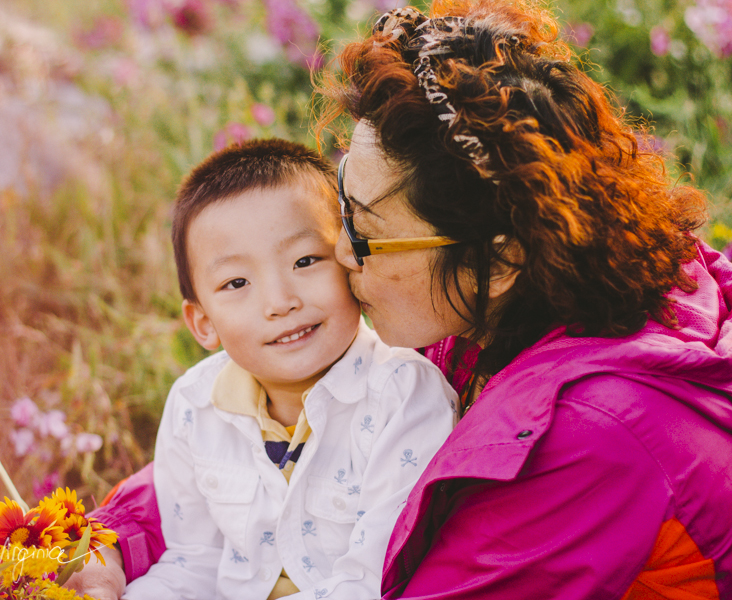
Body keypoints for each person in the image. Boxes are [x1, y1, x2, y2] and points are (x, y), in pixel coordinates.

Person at [72, 0, 732, 597]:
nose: (337, 255)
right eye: (341, 209)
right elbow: (241, 457)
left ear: (501, 258)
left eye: (366, 234)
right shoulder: (488, 307)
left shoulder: (588, 436)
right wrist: (112, 541)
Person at [105, 138, 455, 600]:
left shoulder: (403, 396)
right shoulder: (195, 406)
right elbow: (193, 562)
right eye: (237, 282)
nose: (280, 302)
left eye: (305, 260)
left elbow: (371, 581)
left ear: (352, 260)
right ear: (204, 323)